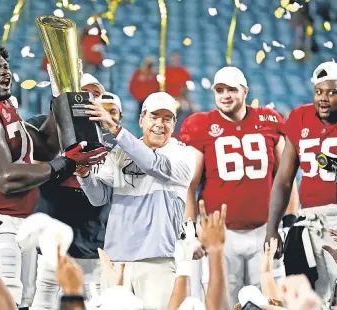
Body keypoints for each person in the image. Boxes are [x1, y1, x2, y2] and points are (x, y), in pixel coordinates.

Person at [0, 42, 107, 308]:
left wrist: (60, 97)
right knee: (2, 299)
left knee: (22, 301)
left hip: (17, 220)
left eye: (6, 67)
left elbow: (44, 145)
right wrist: (66, 164)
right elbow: (5, 177)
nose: (5, 73)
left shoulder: (3, 108)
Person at [179, 66, 299, 305]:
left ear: (245, 91)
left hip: (265, 228)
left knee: (269, 301)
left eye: (232, 89)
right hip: (221, 232)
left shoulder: (268, 119)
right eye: (220, 90)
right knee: (223, 301)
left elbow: (286, 177)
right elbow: (188, 184)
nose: (225, 95)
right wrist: (190, 231)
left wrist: (289, 222)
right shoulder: (201, 125)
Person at [76, 92, 198, 309]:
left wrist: (116, 130)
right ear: (141, 120)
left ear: (174, 124)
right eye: (154, 117)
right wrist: (85, 175)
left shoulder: (182, 154)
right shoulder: (120, 152)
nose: (160, 124)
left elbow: (152, 164)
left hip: (156, 262)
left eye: (167, 118)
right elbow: (98, 198)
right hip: (116, 260)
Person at [265, 61, 337, 300]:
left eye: (332, 92)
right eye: (319, 92)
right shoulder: (299, 117)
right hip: (311, 220)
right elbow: (284, 180)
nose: (324, 98)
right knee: (314, 293)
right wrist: (272, 227)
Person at [27, 87, 123, 310]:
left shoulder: (113, 137)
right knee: (43, 302)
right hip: (54, 240)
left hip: (95, 239)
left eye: (95, 94)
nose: (90, 99)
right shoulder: (44, 126)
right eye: (84, 93)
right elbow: (29, 166)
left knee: (98, 302)